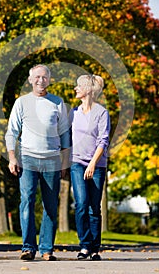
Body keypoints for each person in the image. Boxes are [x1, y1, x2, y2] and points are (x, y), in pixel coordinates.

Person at [5, 64, 70, 261]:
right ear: (30, 80)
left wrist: (65, 162)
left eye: (44, 77)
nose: (41, 80)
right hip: (27, 159)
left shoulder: (57, 103)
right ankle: (28, 247)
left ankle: (47, 249)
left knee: (50, 205)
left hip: (52, 159)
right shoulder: (22, 103)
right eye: (37, 77)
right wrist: (12, 157)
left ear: (49, 80)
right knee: (27, 202)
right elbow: (12, 132)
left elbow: (65, 135)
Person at [69, 74, 110, 261]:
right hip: (77, 162)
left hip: (97, 165)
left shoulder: (102, 113)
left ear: (88, 90)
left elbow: (103, 140)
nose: (76, 88)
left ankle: (95, 249)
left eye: (79, 86)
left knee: (95, 208)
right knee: (81, 204)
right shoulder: (74, 113)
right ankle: (85, 245)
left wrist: (93, 163)